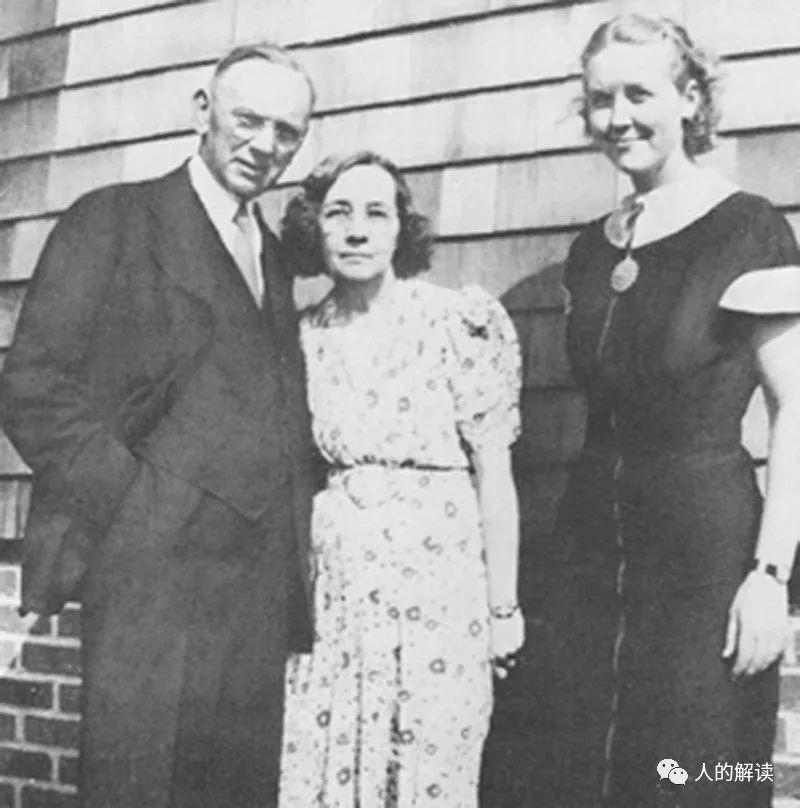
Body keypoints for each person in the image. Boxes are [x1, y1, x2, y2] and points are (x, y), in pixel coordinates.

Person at [0, 43, 318, 808]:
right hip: (150, 571)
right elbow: (33, 384)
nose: (265, 145)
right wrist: (134, 502)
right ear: (202, 111)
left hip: (254, 583)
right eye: (248, 120)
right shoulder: (114, 220)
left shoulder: (270, 255)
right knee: (137, 787)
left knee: (233, 792)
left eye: (286, 131)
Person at [538, 13, 800, 807]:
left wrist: (770, 575)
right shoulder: (590, 249)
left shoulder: (747, 227)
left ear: (690, 99)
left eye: (639, 94)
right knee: (588, 768)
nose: (617, 117)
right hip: (592, 548)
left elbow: (796, 407)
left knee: (701, 767)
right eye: (600, 99)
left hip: (704, 553)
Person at [276, 150, 525, 807]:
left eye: (376, 214)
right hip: (336, 600)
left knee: (428, 765)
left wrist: (504, 609)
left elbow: (495, 477)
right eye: (339, 213)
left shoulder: (458, 323)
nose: (357, 231)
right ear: (314, 228)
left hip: (440, 596)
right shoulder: (299, 340)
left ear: (401, 229)